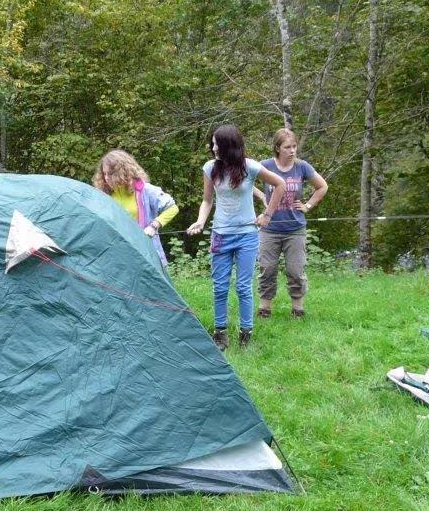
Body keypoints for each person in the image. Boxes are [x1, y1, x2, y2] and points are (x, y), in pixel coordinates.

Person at [186, 125, 285, 350]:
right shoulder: (210, 168)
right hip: (221, 235)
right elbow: (207, 200)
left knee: (243, 286)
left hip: (247, 236)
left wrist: (267, 215)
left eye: (216, 144)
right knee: (219, 286)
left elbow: (279, 184)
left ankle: (246, 333)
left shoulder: (250, 167)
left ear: (229, 146)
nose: (212, 148)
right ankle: (220, 333)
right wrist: (201, 221)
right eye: (212, 143)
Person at [255, 128, 328, 319]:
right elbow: (244, 180)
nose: (292, 150)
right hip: (269, 229)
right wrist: (261, 195)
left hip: (295, 228)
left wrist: (308, 205)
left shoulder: (302, 166)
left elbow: (322, 186)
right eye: (287, 147)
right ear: (277, 148)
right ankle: (265, 308)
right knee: (267, 269)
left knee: (296, 270)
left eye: (294, 146)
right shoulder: (265, 165)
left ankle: (297, 308)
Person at [93, 150, 179, 267]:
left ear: (123, 171)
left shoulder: (145, 190)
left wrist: (154, 226)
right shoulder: (104, 195)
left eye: (111, 173)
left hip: (145, 254)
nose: (107, 178)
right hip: (116, 255)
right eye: (104, 174)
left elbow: (172, 208)